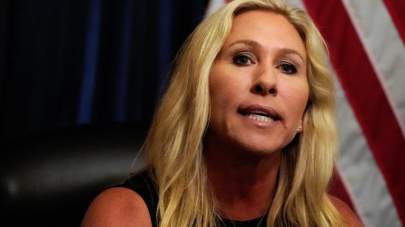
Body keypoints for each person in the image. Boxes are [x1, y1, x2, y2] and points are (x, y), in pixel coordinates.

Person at [81, 0, 363, 226]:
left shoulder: (338, 221)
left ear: (304, 115)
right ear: (200, 88)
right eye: (243, 58)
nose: (266, 81)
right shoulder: (124, 215)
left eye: (288, 67)